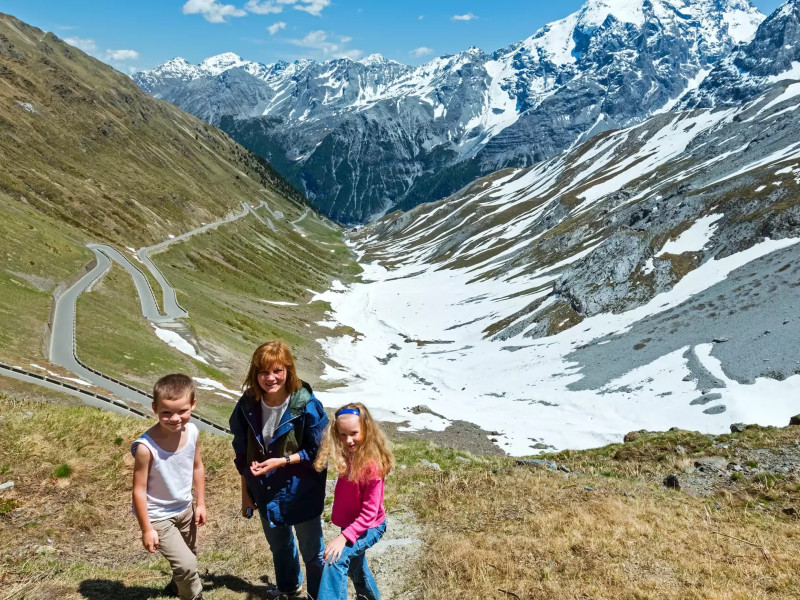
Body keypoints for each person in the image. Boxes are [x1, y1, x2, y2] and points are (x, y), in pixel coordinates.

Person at [230, 341, 329, 599]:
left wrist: (283, 461)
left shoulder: (306, 404)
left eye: (277, 370)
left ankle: (319, 595)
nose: (270, 378)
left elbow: (321, 451)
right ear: (255, 373)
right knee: (279, 545)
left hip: (301, 490)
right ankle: (289, 589)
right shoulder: (247, 404)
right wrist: (246, 493)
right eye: (263, 372)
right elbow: (241, 454)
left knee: (312, 551)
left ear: (289, 370)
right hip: (264, 490)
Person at [132, 373, 206, 600]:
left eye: (182, 411)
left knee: (190, 554)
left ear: (193, 404)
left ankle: (176, 588)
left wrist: (200, 503)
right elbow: (138, 490)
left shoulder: (192, 432)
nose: (175, 418)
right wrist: (147, 528)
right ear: (155, 408)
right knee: (187, 565)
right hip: (159, 516)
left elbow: (197, 467)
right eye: (166, 412)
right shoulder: (146, 448)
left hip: (185, 508)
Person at [313, 403, 394, 600]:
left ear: (366, 430)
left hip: (370, 526)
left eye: (354, 433)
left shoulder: (372, 465)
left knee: (335, 559)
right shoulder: (349, 455)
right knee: (356, 567)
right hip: (352, 526)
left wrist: (343, 538)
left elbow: (369, 514)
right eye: (342, 435)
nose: (348, 440)